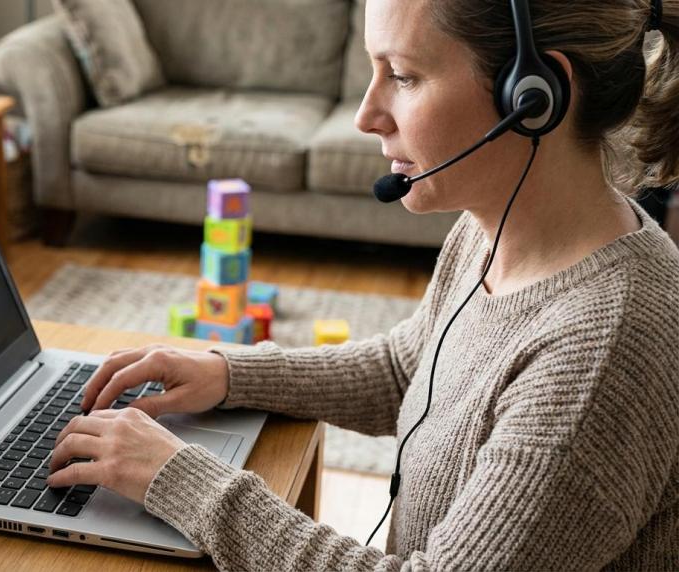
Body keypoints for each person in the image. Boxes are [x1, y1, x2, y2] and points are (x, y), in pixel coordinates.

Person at [46, 0, 679, 569]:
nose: (365, 115)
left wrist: (182, 481)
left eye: (403, 76)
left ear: (534, 96)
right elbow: (411, 368)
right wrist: (229, 372)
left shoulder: (607, 350)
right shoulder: (491, 229)